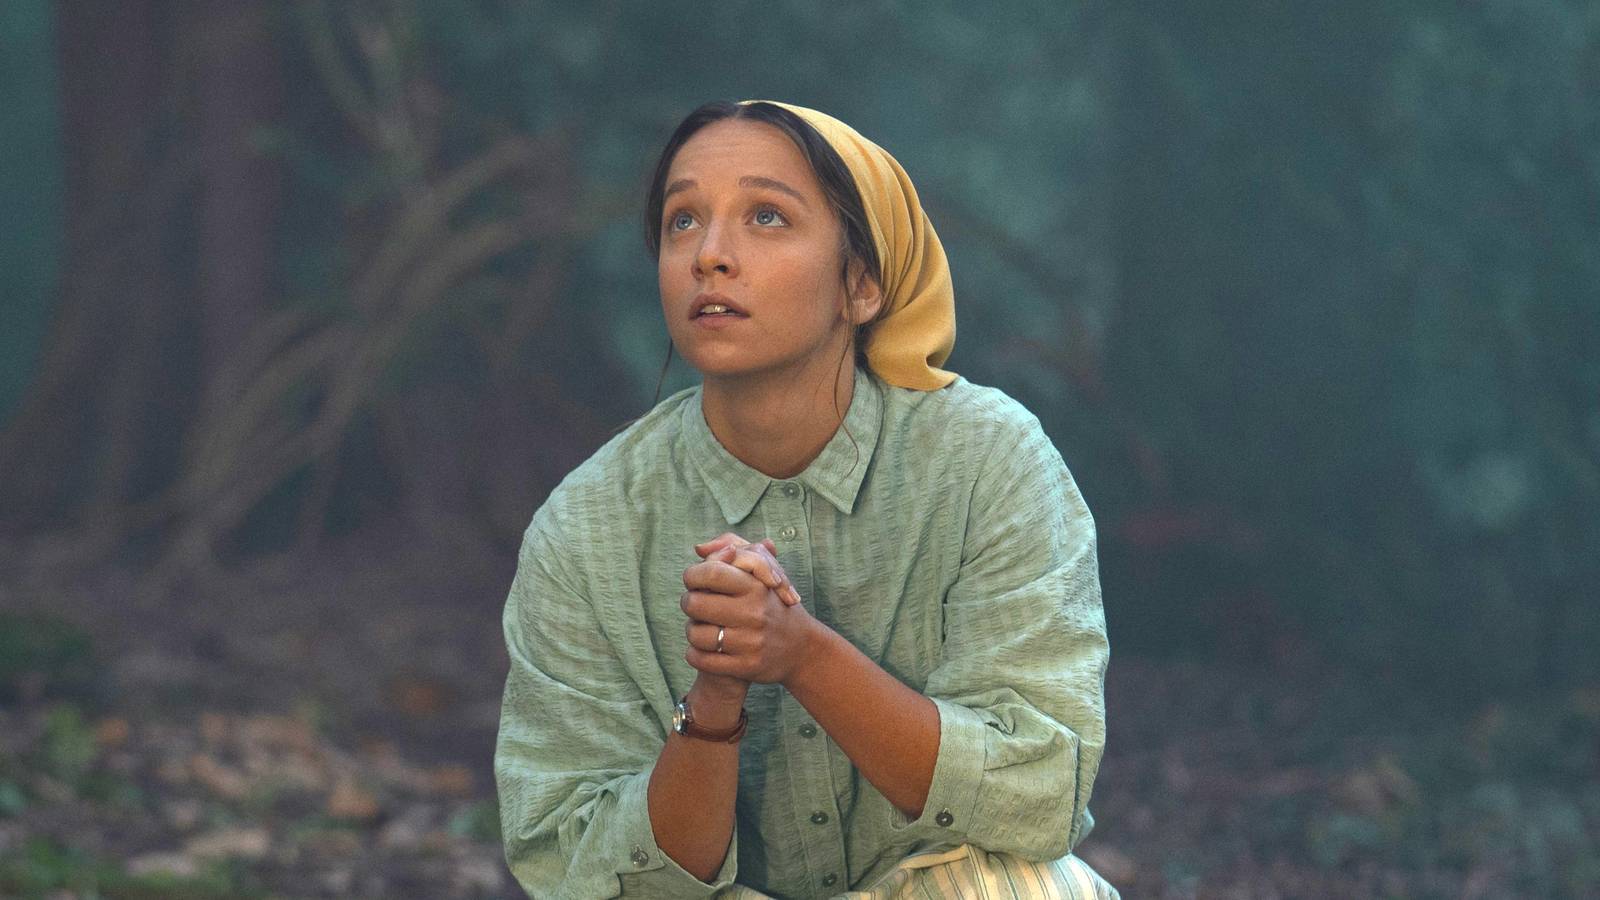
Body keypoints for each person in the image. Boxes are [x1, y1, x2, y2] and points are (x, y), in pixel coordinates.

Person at [494, 99, 1117, 899]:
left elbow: (1039, 794)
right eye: (683, 221)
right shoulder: (586, 528)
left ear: (862, 284)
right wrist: (715, 702)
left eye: (767, 216)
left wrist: (804, 656)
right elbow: (574, 865)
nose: (710, 256)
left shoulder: (984, 461)